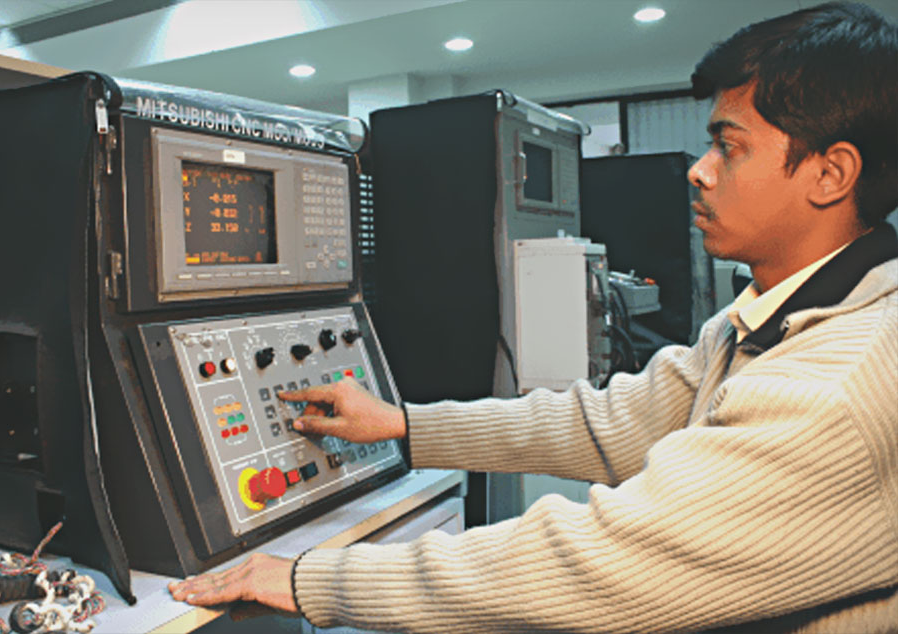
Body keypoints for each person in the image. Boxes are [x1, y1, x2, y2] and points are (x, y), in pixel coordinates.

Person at [170, 2, 898, 631]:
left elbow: (598, 564)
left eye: (727, 146)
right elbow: (606, 423)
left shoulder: (833, 389)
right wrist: (404, 425)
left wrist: (313, 578)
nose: (699, 169)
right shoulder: (770, 321)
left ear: (830, 174)